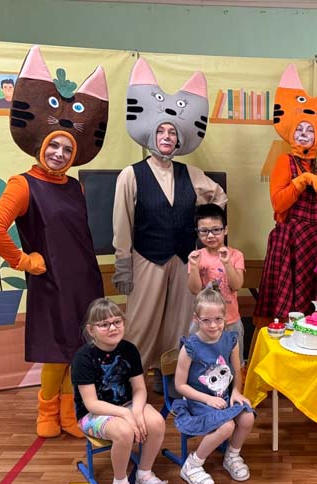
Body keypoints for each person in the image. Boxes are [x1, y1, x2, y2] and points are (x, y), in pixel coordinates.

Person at [0, 46, 107, 438]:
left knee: (81, 348)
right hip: (52, 281)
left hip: (84, 279)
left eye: (67, 148)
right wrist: (23, 261)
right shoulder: (23, 184)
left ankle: (70, 413)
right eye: (54, 145)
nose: (58, 153)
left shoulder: (74, 186)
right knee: (58, 350)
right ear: (41, 145)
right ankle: (47, 410)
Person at [113, 57, 227, 379]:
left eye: (172, 132)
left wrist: (205, 233)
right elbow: (122, 223)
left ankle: (171, 379)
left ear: (179, 139)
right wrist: (123, 264)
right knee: (142, 322)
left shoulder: (191, 173)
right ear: (151, 134)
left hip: (182, 259)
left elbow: (218, 197)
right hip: (147, 258)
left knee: (179, 323)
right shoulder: (131, 175)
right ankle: (131, 379)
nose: (167, 136)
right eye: (161, 131)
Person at [253, 64, 317, 329]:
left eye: (310, 130)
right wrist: (301, 180)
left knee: (313, 304)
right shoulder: (284, 162)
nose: (304, 135)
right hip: (289, 240)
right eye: (300, 130)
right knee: (285, 308)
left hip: (316, 241)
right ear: (292, 134)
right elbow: (278, 203)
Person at [71, 298, 169, 484]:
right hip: (93, 414)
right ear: (91, 330)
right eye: (104, 324)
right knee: (124, 431)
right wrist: (126, 415)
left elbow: (140, 388)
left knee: (157, 422)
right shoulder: (83, 358)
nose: (112, 328)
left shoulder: (129, 349)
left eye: (117, 322)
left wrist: (137, 412)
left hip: (127, 404)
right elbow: (91, 403)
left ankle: (144, 473)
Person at [173, 288, 255, 484]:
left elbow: (237, 370)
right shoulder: (190, 347)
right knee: (227, 426)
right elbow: (180, 385)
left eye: (218, 319)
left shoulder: (230, 340)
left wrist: (236, 391)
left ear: (225, 316)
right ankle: (193, 464)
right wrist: (207, 399)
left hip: (224, 397)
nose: (213, 325)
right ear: (196, 319)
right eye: (206, 320)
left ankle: (232, 456)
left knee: (247, 418)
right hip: (198, 401)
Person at [188, 203, 246, 365]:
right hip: (202, 320)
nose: (210, 235)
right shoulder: (196, 256)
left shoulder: (235, 255)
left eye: (216, 230)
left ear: (225, 230)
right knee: (200, 363)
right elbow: (194, 290)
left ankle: (235, 383)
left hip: (230, 319)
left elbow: (236, 285)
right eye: (204, 231)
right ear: (198, 232)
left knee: (234, 363)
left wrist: (226, 263)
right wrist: (194, 267)